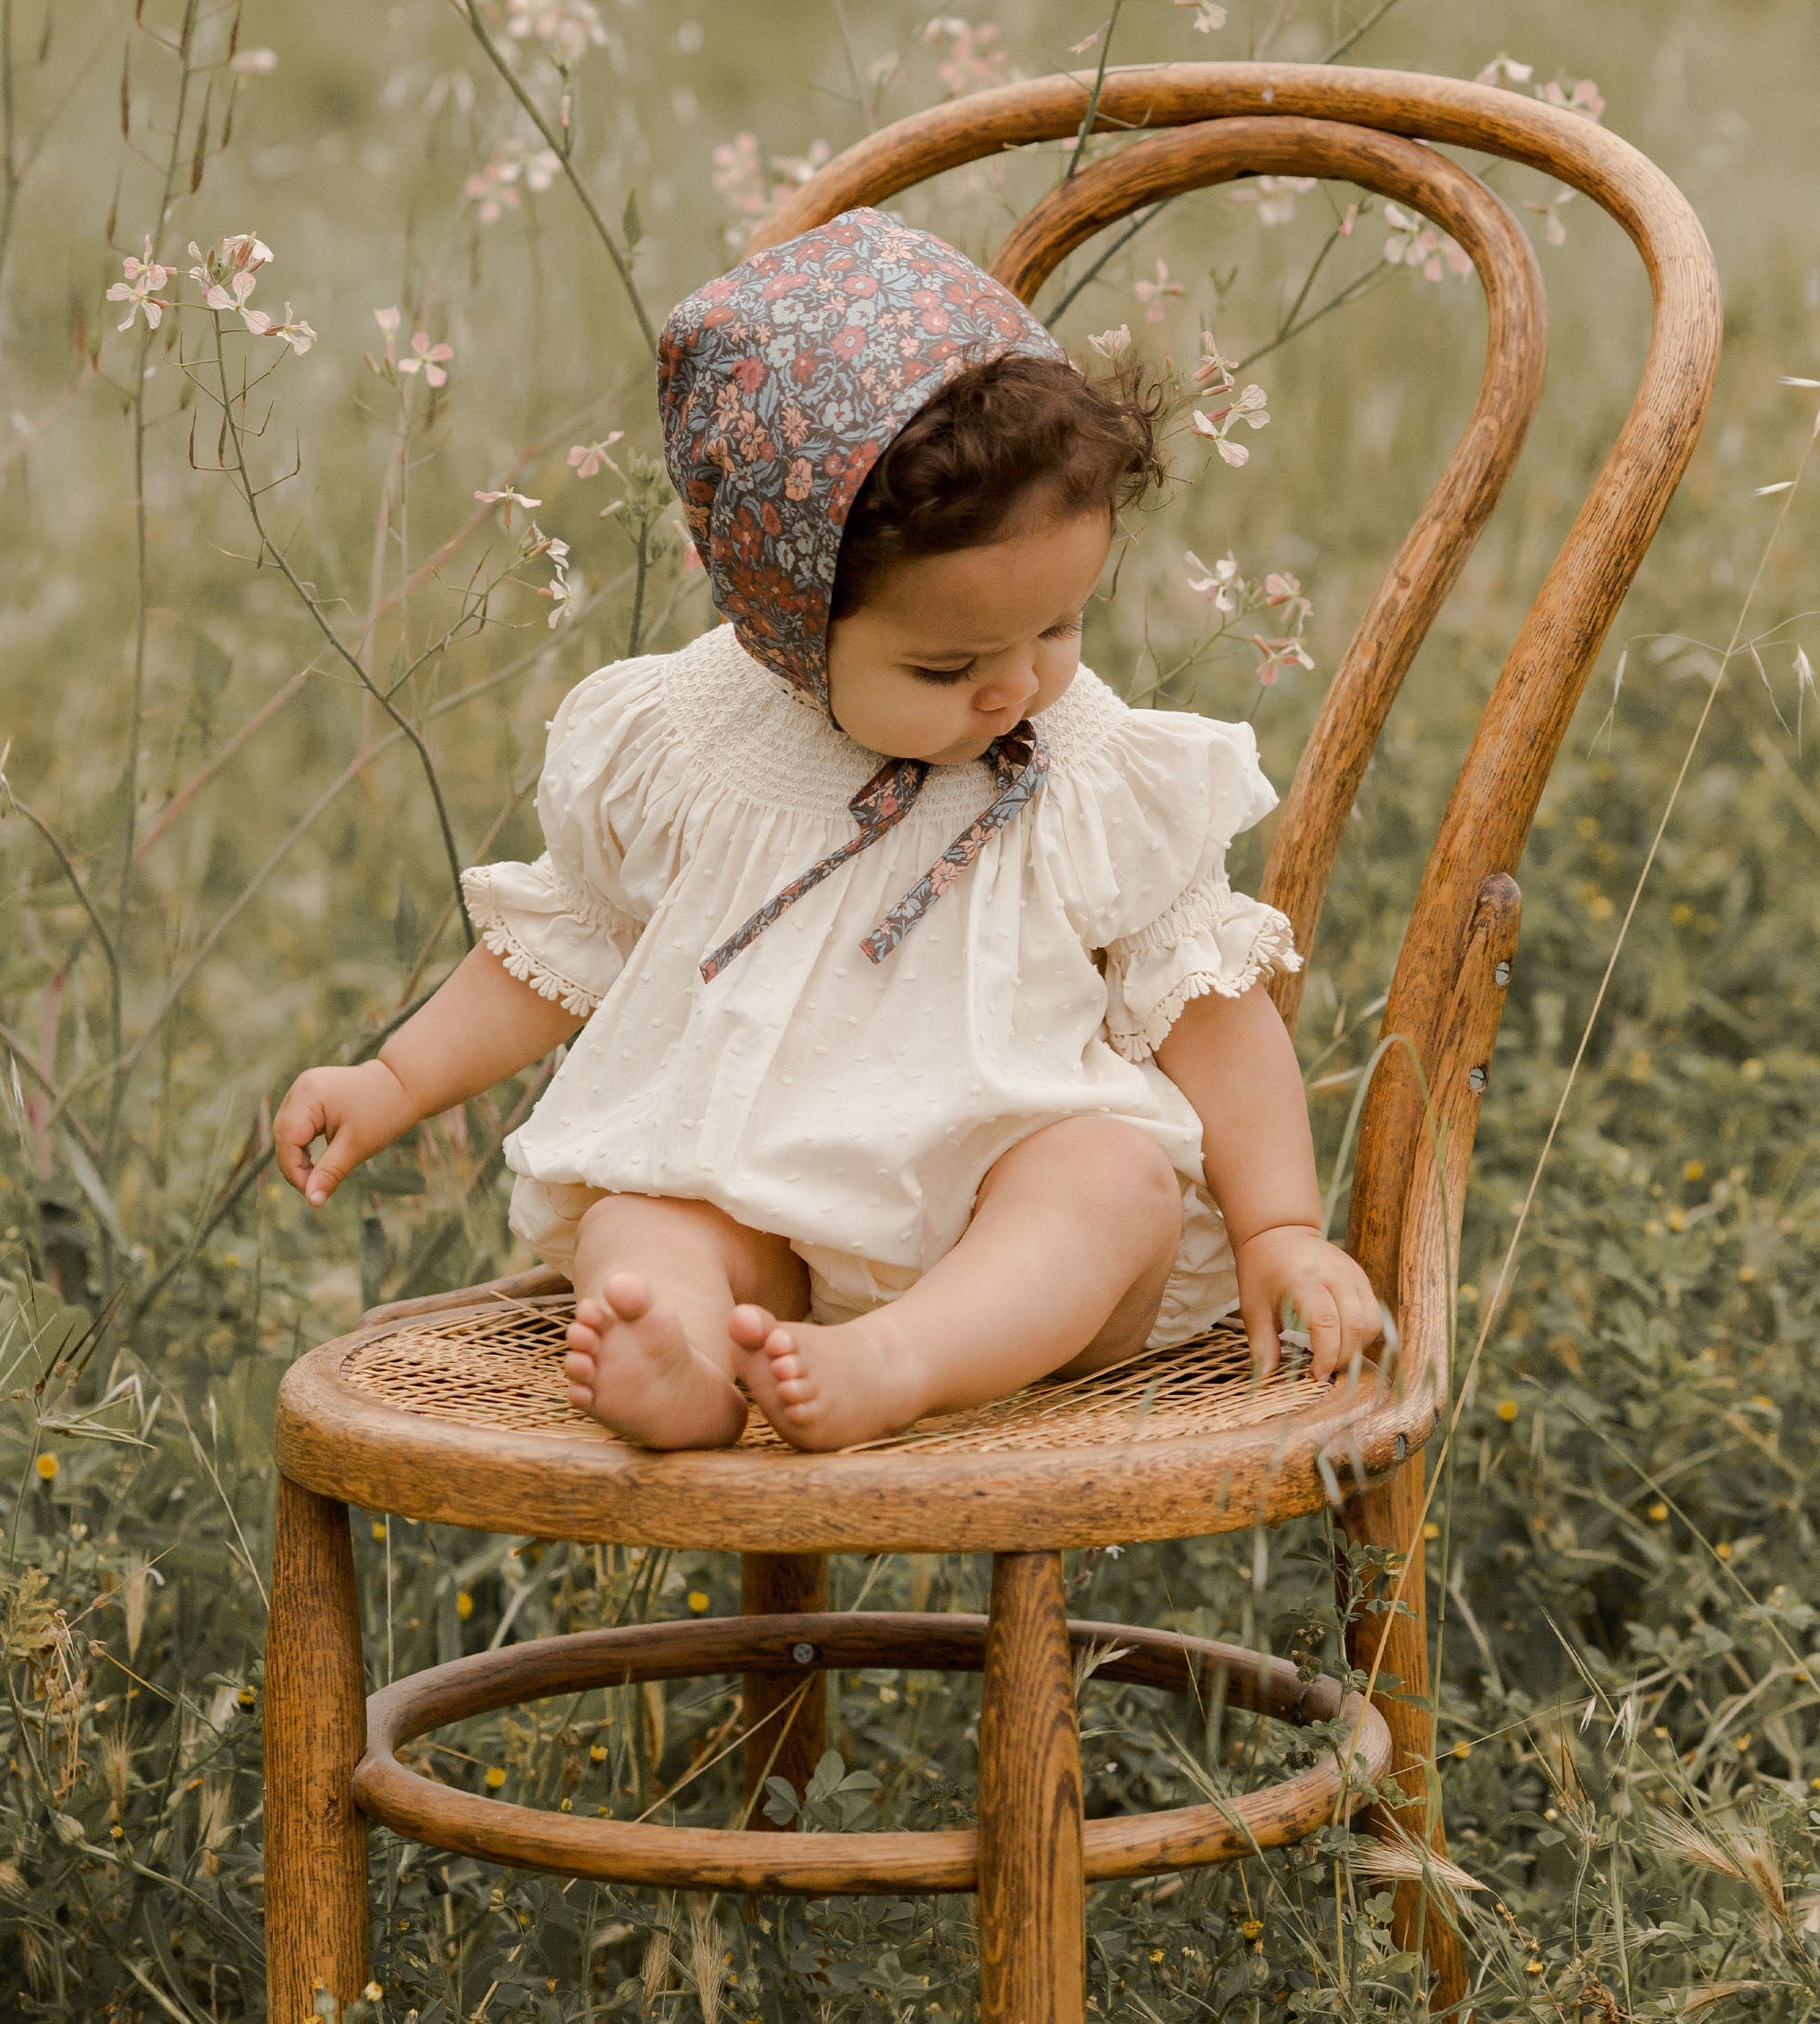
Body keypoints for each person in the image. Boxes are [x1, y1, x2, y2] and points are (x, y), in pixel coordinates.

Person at [274, 207, 1382, 1452]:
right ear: (785, 627)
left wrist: (1277, 1228)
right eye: (951, 661)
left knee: (1109, 1176)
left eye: (1058, 631)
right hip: (766, 1210)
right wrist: (393, 1080)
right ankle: (683, 1355)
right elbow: (570, 942)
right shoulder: (694, 745)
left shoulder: (1090, 766)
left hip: (1014, 1247)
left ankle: (899, 1358)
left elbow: (1207, 1007)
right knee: (643, 1218)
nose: (1014, 689)